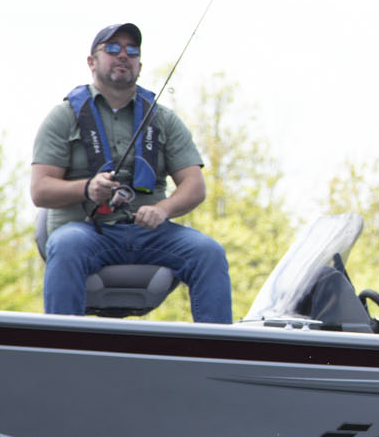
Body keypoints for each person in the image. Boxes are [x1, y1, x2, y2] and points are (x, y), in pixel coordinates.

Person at [30, 22, 233, 322]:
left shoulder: (164, 119)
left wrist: (162, 210)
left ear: (140, 64)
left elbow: (194, 186)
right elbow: (40, 190)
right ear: (91, 61)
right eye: (112, 48)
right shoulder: (63, 117)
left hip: (151, 234)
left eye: (132, 50)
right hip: (89, 231)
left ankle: (217, 347)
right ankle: (61, 345)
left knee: (208, 252)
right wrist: (87, 188)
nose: (123, 55)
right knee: (65, 244)